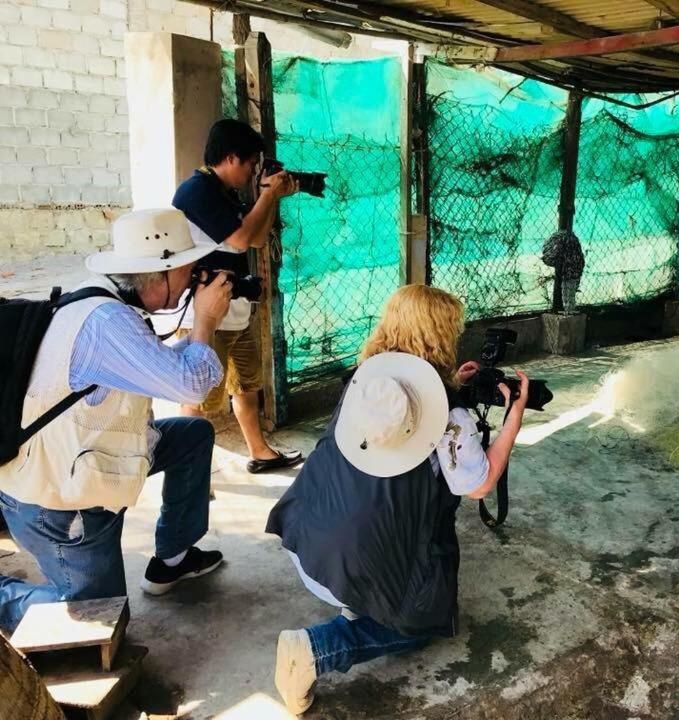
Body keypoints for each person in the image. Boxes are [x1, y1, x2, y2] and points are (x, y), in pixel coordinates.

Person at [266, 285, 529, 714]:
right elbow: (479, 485)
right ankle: (316, 649)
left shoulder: (366, 377)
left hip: (309, 542)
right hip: (356, 564)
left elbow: (410, 412)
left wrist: (450, 387)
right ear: (435, 338)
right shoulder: (448, 415)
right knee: (424, 623)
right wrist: (512, 418)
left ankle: (362, 601)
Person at [0, 208, 234, 632]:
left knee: (192, 435)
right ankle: (4, 598)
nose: (195, 280)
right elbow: (191, 387)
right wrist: (205, 320)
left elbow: (159, 368)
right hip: (55, 497)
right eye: (189, 270)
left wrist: (195, 327)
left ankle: (173, 558)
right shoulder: (108, 323)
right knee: (99, 620)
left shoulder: (105, 299)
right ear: (160, 273)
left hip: (87, 458)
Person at [172, 118, 302, 474]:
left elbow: (257, 238)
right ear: (231, 158)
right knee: (196, 394)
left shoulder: (223, 192)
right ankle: (191, 471)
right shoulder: (196, 191)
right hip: (208, 314)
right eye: (249, 163)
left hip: (236, 306)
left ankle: (259, 452)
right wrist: (268, 194)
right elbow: (243, 238)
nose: (251, 171)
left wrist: (268, 198)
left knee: (246, 385)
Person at [542, 228, 585, 313]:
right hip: (571, 270)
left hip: (570, 271)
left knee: (568, 288)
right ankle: (568, 308)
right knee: (569, 288)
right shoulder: (571, 245)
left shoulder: (564, 243)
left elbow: (549, 256)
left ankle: (568, 308)